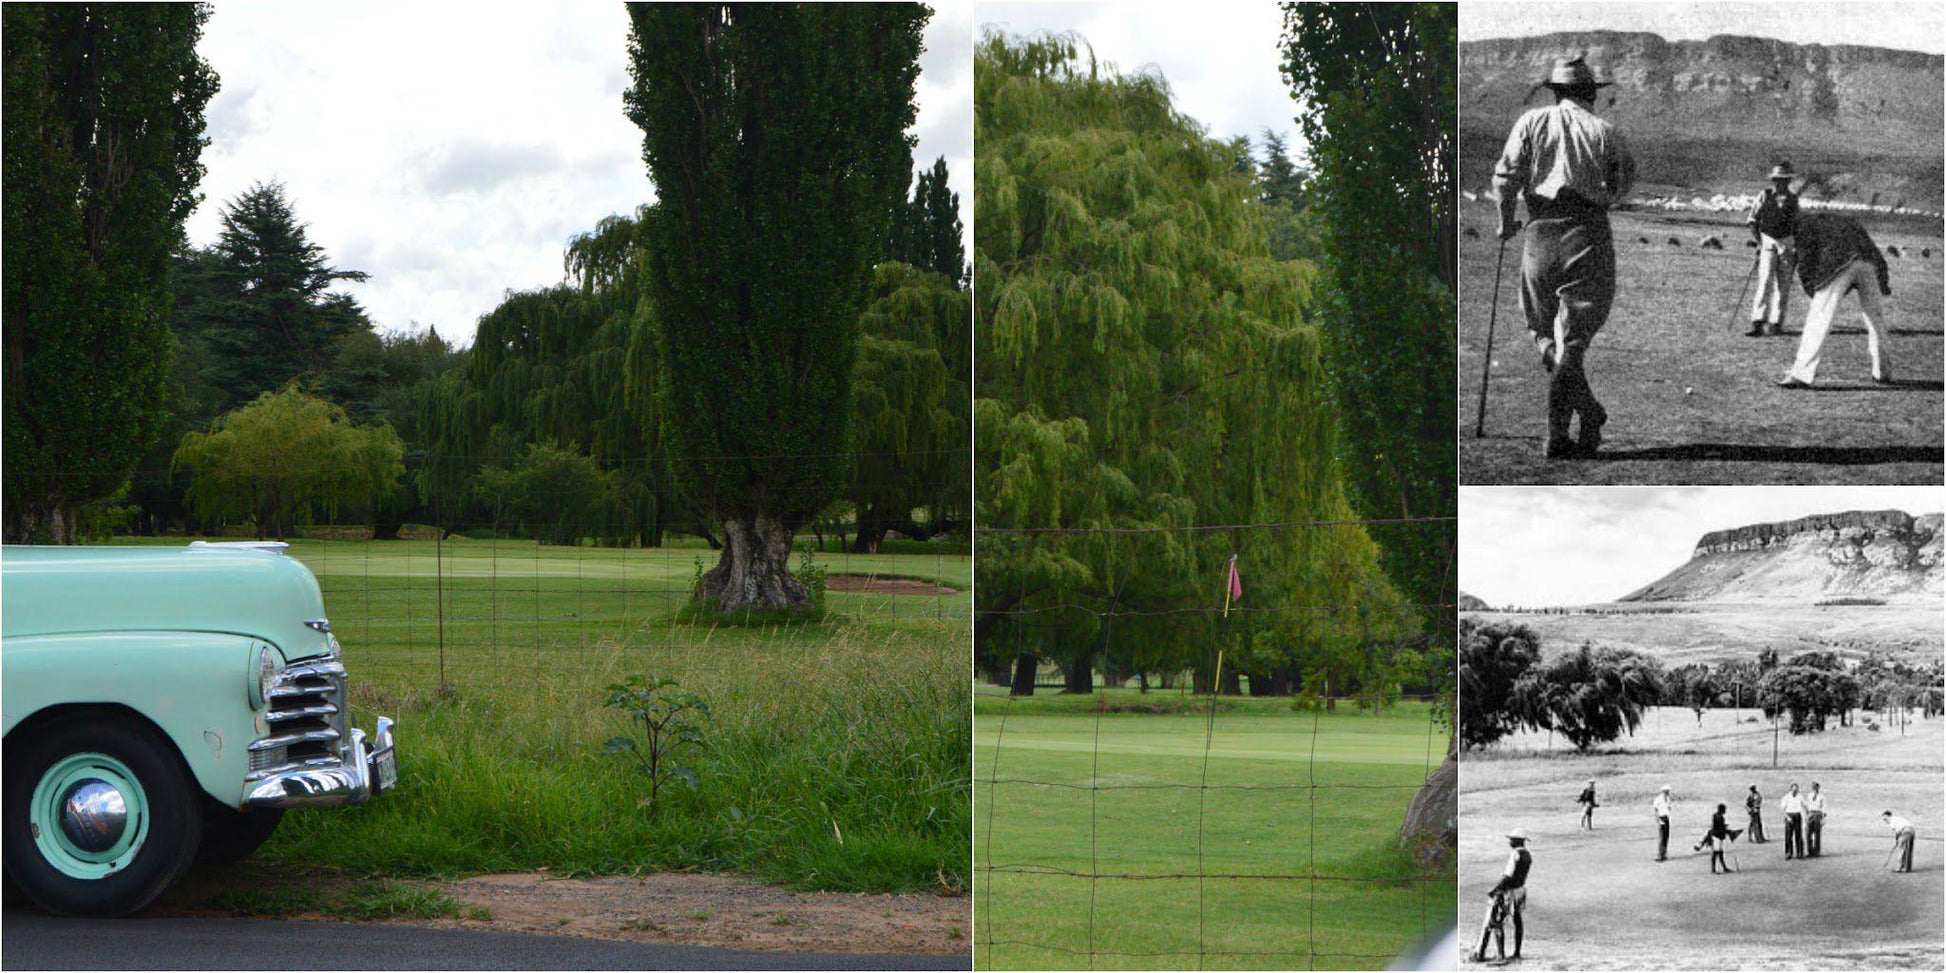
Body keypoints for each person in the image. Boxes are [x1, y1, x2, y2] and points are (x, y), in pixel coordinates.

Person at [1491, 55, 1636, 460]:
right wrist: (1601, 200)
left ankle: (1584, 417)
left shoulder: (1530, 122)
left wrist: (1506, 222)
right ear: (1590, 93)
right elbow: (1623, 183)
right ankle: (1566, 428)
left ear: (1555, 92)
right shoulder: (1605, 131)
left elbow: (1505, 178)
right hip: (1586, 235)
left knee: (1542, 333)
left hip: (1538, 234)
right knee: (1571, 343)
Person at [1775, 214, 1893, 388]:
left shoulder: (1802, 229)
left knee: (1819, 317)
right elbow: (1873, 249)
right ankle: (1883, 372)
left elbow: (1807, 264)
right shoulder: (1832, 219)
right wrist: (1883, 280)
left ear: (1789, 232)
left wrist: (1815, 294)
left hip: (1839, 261)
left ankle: (1801, 373)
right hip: (1868, 260)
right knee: (1875, 318)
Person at [1744, 162, 1800, 336]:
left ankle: (1776, 323)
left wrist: (1796, 246)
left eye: (1785, 180)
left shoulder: (1793, 199)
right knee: (1765, 281)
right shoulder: (1764, 195)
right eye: (1778, 180)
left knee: (1783, 285)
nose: (1781, 183)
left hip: (1787, 242)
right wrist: (1760, 242)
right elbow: (1752, 220)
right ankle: (1758, 322)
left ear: (1789, 181)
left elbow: (1798, 224)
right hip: (1768, 240)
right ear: (1774, 180)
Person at [1476, 827, 1532, 962]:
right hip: (1521, 890)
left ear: (1517, 840)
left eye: (1511, 839)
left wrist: (1495, 889)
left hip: (1510, 891)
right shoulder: (1528, 855)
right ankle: (1517, 953)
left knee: (1497, 921)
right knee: (1518, 921)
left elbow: (1508, 876)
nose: (1509, 842)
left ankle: (1501, 955)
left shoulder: (1515, 854)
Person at [1780, 783, 1805, 860]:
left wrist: (1806, 814)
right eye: (1794, 790)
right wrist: (1787, 817)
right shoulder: (1786, 797)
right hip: (1789, 816)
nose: (1795, 792)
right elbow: (1782, 809)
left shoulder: (1800, 796)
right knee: (1788, 836)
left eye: (1796, 790)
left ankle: (1799, 853)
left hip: (1797, 815)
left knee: (1798, 835)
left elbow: (1804, 806)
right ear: (1791, 789)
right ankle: (1788, 853)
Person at [1805, 782, 1827, 857]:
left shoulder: (1822, 797)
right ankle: (1810, 851)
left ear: (1818, 788)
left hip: (1818, 814)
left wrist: (1823, 818)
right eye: (1813, 787)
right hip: (1810, 814)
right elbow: (1807, 806)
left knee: (1817, 834)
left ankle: (1817, 851)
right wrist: (1806, 816)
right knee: (1808, 834)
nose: (1815, 789)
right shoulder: (1809, 796)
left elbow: (1824, 807)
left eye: (1816, 787)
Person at [1653, 784, 1673, 861]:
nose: (1668, 792)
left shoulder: (1668, 799)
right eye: (1667, 791)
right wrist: (1658, 820)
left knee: (1666, 836)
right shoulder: (1658, 799)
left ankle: (1664, 853)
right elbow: (1656, 810)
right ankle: (1660, 854)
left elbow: (1669, 808)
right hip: (1661, 817)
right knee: (1662, 836)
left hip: (1666, 817)